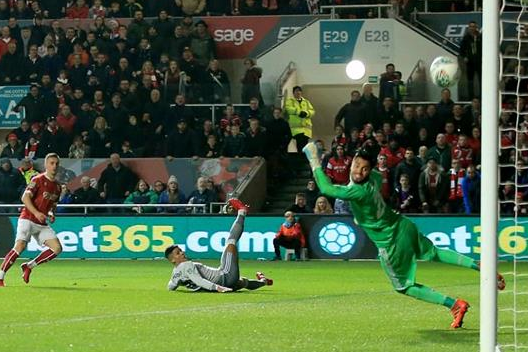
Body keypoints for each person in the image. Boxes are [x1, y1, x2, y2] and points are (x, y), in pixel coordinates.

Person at [302, 142, 505, 329]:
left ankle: (454, 305)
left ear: (368, 169)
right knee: (433, 252)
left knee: (403, 286)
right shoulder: (374, 177)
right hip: (403, 224)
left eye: (364, 168)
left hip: (391, 241)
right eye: (356, 165)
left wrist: (314, 159)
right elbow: (357, 184)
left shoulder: (358, 192)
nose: (359, 171)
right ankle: (477, 264)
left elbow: (326, 188)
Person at [165, 198, 273, 292]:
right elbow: (199, 280)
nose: (182, 252)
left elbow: (170, 286)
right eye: (178, 253)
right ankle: (242, 211)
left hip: (226, 281)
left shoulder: (176, 272)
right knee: (230, 243)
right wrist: (217, 288)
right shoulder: (186, 265)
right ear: (173, 260)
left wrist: (179, 280)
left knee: (243, 282)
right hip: (225, 276)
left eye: (180, 250)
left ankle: (264, 281)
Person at [0, 153, 63, 287]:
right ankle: (0, 277)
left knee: (57, 248)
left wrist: (51, 213)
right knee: (20, 247)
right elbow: (25, 198)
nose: (54, 166)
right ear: (46, 165)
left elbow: (53, 204)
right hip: (28, 218)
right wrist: (36, 212)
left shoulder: (58, 187)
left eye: (56, 163)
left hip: (41, 223)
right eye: (51, 163)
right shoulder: (38, 179)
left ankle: (29, 266)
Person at [285, 86, 315, 153]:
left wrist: (306, 113)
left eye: (299, 91)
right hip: (297, 129)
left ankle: (304, 159)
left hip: (306, 129)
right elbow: (288, 109)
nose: (298, 92)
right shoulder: (290, 101)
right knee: (300, 145)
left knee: (305, 147)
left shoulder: (306, 102)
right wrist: (299, 112)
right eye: (296, 91)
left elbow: (312, 111)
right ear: (293, 93)